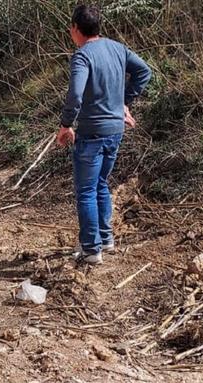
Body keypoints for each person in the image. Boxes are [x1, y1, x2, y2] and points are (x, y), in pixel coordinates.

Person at [57, 4, 152, 265]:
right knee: (100, 183)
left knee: (86, 190)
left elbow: (76, 95)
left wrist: (65, 125)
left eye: (71, 28)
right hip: (115, 131)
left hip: (92, 132)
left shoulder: (82, 56)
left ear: (75, 29)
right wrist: (123, 102)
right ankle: (106, 238)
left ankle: (91, 249)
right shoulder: (117, 48)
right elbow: (145, 72)